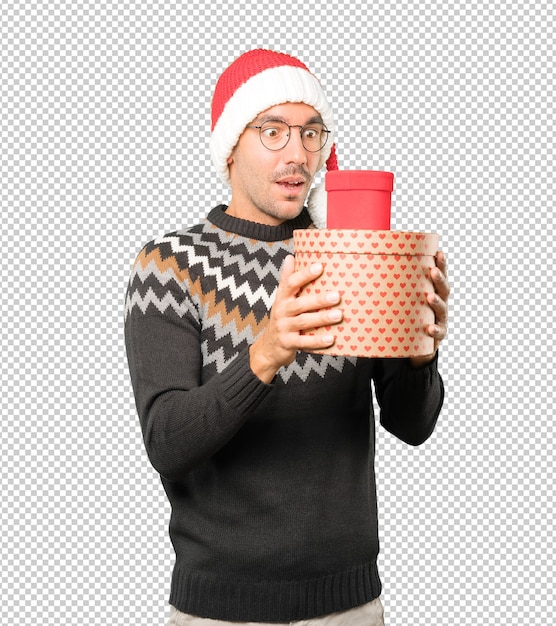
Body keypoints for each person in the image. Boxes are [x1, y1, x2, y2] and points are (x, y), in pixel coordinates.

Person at [124, 49, 450, 626]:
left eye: (310, 133)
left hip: (348, 605)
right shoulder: (171, 266)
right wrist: (266, 354)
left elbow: (412, 425)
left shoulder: (349, 253)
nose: (297, 154)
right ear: (230, 147)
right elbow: (168, 443)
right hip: (220, 611)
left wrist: (419, 357)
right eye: (271, 131)